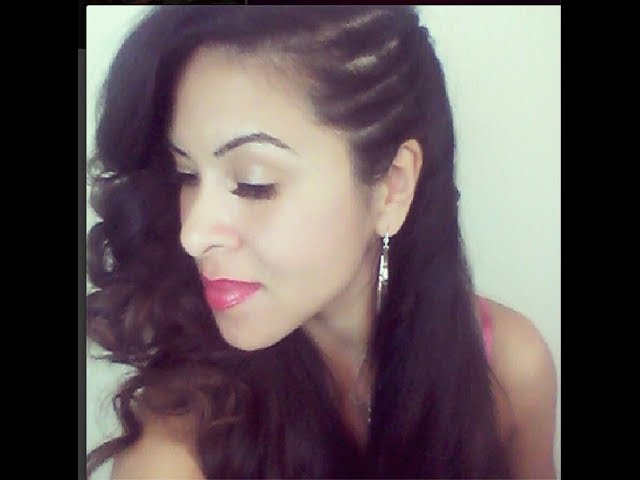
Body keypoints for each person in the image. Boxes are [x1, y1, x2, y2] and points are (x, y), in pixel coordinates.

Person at [86, 5, 557, 479]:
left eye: (253, 183)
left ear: (391, 186)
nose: (192, 235)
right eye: (186, 174)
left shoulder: (509, 369)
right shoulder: (175, 459)